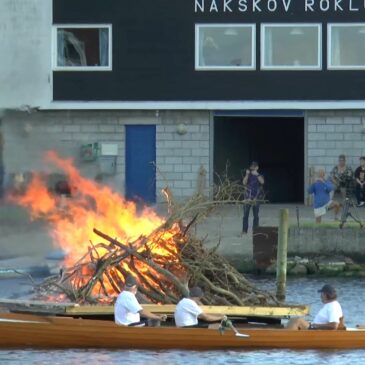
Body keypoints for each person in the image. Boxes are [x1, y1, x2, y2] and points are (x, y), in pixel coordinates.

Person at [242, 161, 265, 234]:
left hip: (256, 197)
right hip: (247, 197)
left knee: (256, 215)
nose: (253, 168)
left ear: (257, 168)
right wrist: (247, 174)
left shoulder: (260, 175)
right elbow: (244, 183)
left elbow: (262, 182)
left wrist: (257, 175)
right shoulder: (248, 175)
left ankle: (255, 230)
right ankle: (244, 230)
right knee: (245, 215)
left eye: (254, 167)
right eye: (252, 167)